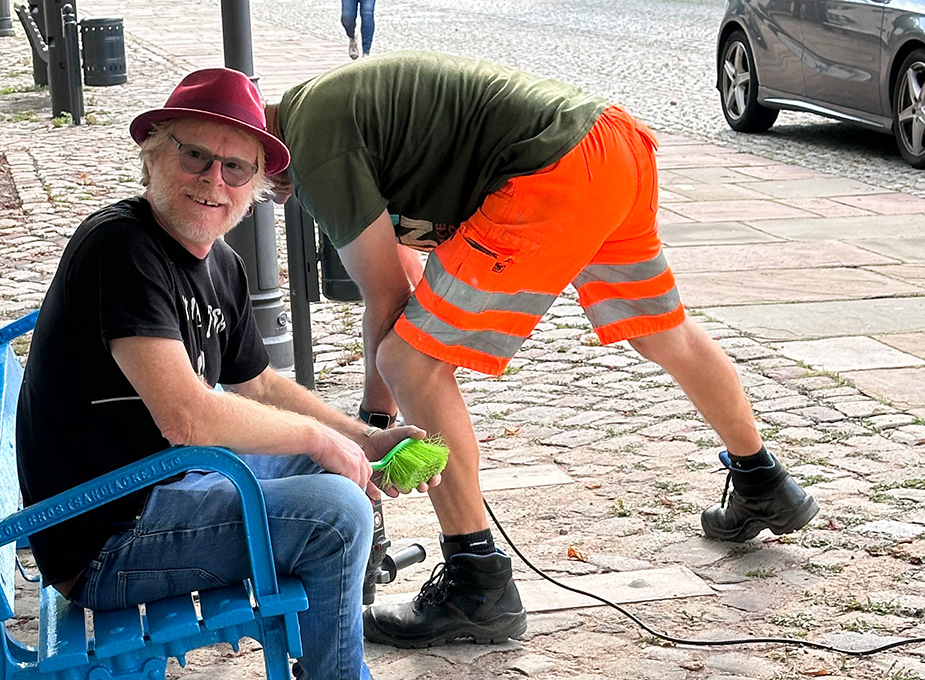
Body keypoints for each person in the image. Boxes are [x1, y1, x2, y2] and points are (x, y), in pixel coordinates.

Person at [267, 53, 818, 648]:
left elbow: (387, 294)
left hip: (551, 171)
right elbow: (406, 270)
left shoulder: (312, 145)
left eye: (235, 168)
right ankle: (764, 484)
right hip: (612, 146)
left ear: (261, 148)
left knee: (408, 361)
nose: (243, 188)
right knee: (665, 332)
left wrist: (372, 425)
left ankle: (476, 587)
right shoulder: (319, 113)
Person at [16, 66, 446, 680]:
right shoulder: (118, 249)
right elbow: (187, 415)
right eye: (195, 156)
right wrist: (320, 442)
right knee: (336, 511)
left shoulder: (216, 262)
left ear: (256, 189)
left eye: (236, 167)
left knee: (339, 481)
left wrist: (362, 439)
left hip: (156, 493)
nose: (214, 180)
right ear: (154, 154)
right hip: (103, 536)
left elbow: (261, 383)